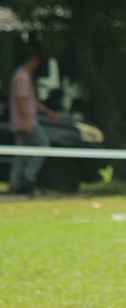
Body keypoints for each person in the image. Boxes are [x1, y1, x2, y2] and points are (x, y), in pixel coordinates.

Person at [8, 47, 60, 196]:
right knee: (43, 145)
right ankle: (28, 176)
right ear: (31, 60)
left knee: (21, 153)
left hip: (19, 122)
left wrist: (48, 112)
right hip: (27, 122)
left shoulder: (20, 75)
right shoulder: (22, 77)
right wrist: (26, 121)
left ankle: (15, 183)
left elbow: (31, 101)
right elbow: (21, 100)